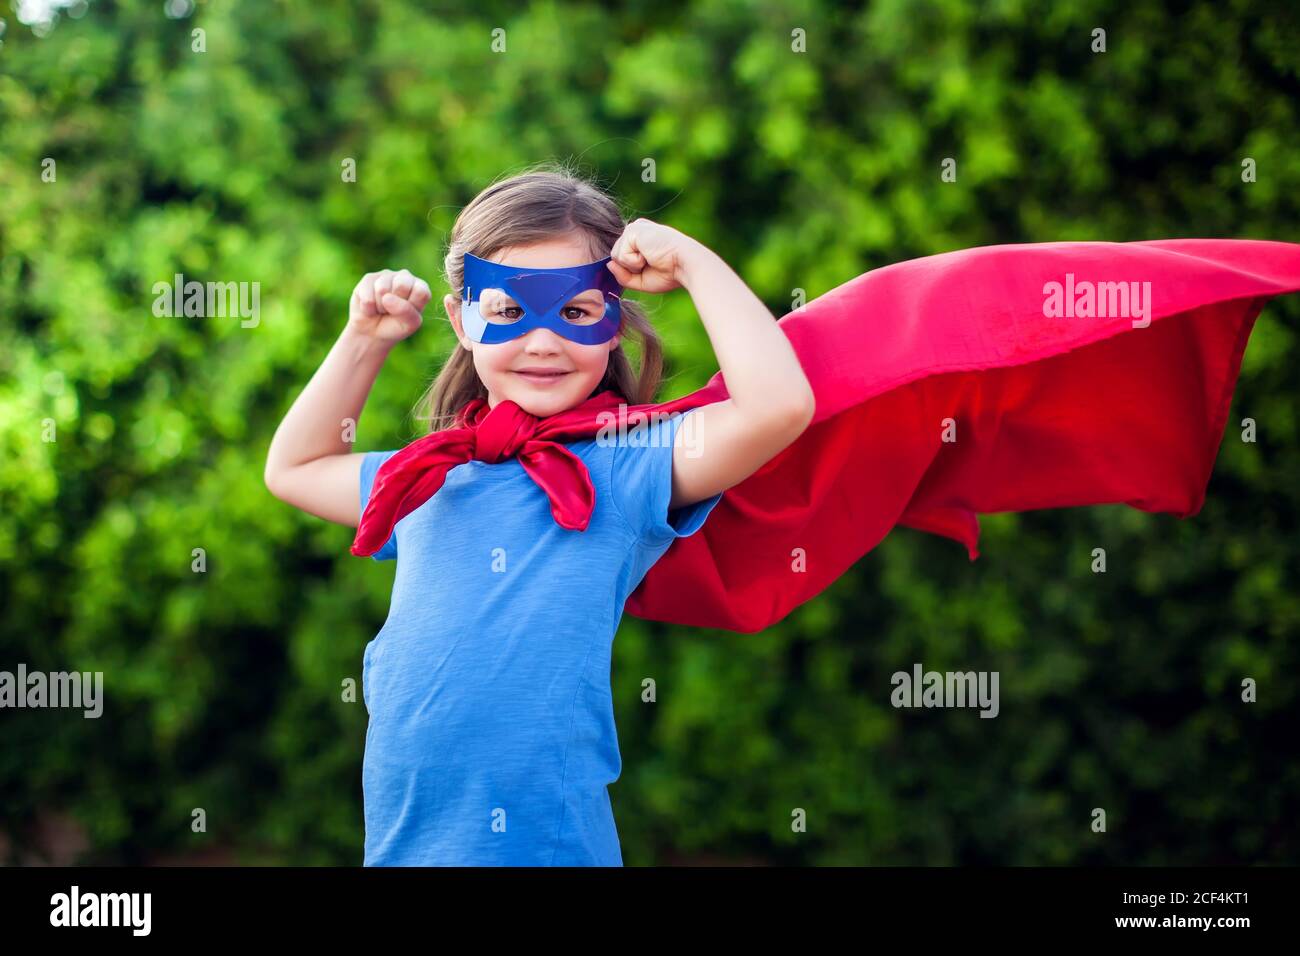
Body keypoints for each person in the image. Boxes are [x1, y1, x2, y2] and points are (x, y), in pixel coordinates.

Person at [263, 166, 815, 865]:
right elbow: (295, 469)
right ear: (463, 320)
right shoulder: (428, 476)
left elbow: (779, 406)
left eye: (578, 311)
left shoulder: (625, 464)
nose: (544, 341)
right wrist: (365, 339)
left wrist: (696, 265)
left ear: (615, 324)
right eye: (509, 311)